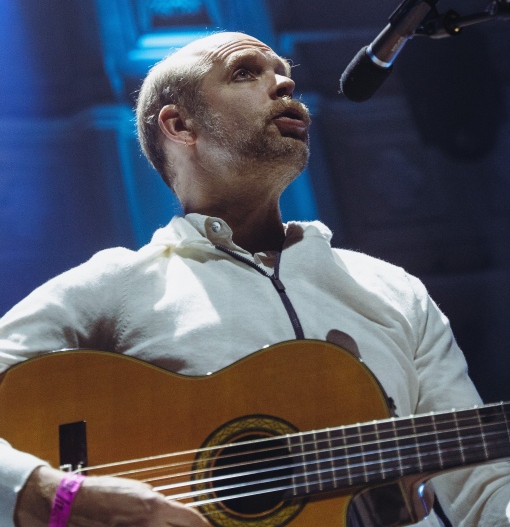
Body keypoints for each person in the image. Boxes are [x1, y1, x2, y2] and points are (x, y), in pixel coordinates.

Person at [0, 31, 509, 527]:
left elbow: (482, 488)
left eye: (285, 74)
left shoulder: (394, 290)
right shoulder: (115, 285)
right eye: (245, 73)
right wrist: (51, 495)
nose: (285, 85)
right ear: (179, 125)